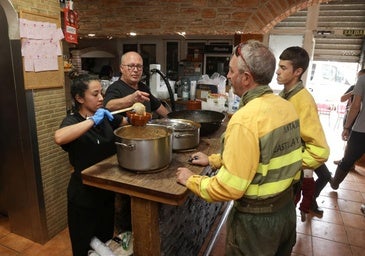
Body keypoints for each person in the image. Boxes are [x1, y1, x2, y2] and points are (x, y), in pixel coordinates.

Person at [176, 40, 303, 255]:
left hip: (256, 223)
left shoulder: (245, 119)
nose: (227, 76)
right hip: (286, 212)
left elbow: (229, 187)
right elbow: (262, 158)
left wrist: (191, 180)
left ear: (246, 78)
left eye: (231, 71)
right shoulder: (286, 107)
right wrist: (214, 160)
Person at [54, 74, 128, 256]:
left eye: (101, 93)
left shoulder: (104, 116)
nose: (101, 98)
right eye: (95, 94)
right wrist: (91, 121)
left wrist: (136, 115)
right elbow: (59, 137)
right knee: (83, 247)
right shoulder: (73, 121)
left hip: (106, 194)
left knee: (104, 243)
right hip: (83, 197)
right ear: (79, 98)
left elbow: (125, 122)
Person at [276, 46, 331, 221]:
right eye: (279, 66)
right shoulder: (285, 96)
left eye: (283, 68)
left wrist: (291, 164)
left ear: (297, 72)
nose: (277, 72)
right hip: (285, 175)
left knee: (285, 219)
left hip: (292, 175)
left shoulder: (304, 101)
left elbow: (320, 150)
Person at [104, 51, 169, 117]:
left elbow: (158, 106)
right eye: (131, 66)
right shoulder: (115, 88)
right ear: (121, 68)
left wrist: (173, 120)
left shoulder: (143, 87)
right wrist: (131, 99)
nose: (135, 70)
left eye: (139, 66)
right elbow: (108, 106)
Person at [330, 69, 365, 190]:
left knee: (348, 158)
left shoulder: (363, 79)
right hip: (360, 126)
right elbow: (343, 99)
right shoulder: (356, 84)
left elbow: (355, 106)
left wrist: (346, 127)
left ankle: (335, 182)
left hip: (361, 128)